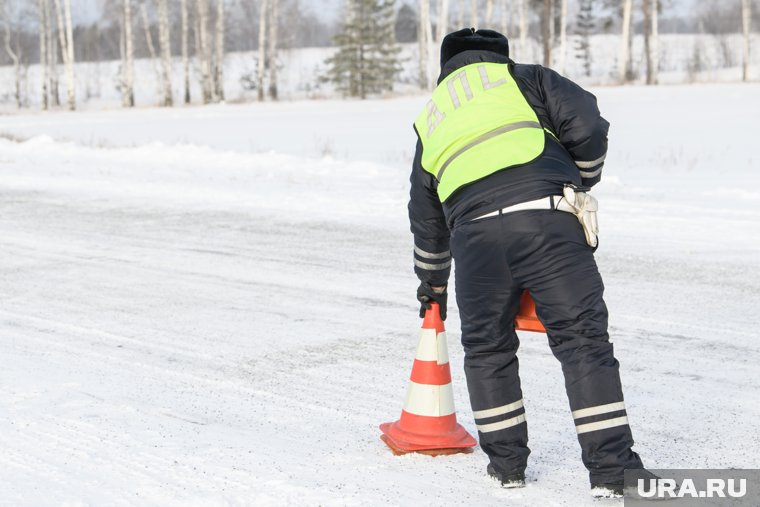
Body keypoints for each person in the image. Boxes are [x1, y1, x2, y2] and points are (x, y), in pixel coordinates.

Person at [408, 28, 644, 497]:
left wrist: (432, 285)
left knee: (487, 350)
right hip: (546, 218)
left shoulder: (429, 119)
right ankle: (613, 474)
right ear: (500, 56)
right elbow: (590, 126)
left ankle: (507, 468)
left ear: (445, 66)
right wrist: (582, 179)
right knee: (582, 342)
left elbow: (426, 216)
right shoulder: (524, 78)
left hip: (472, 238)